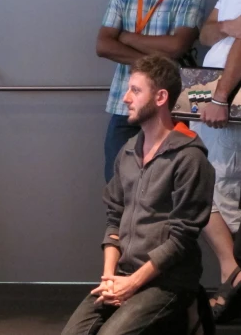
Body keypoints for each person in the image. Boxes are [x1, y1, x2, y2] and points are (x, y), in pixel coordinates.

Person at [62, 55, 214, 334]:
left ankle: (189, 312)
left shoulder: (190, 158)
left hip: (168, 280)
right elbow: (114, 218)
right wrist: (110, 278)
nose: (125, 98)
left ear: (160, 97)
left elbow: (181, 239)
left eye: (135, 90)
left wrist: (133, 284)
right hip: (123, 273)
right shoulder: (129, 150)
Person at [97, 0, 205, 182]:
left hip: (170, 107)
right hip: (127, 107)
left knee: (168, 186)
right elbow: (103, 45)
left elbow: (177, 46)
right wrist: (158, 58)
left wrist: (125, 36)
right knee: (118, 186)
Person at [192, 0, 241, 322]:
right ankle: (233, 279)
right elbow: (207, 30)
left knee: (220, 190)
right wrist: (228, 25)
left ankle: (231, 285)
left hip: (228, 104)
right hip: (214, 102)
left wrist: (221, 96)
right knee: (213, 189)